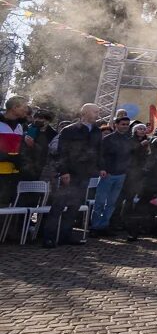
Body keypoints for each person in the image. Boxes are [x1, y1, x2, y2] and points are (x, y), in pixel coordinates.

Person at [42, 103, 102, 247]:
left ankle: (65, 236)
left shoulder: (96, 131)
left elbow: (98, 151)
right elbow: (61, 152)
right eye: (95, 112)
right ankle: (48, 238)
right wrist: (64, 171)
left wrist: (100, 168)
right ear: (85, 113)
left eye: (98, 112)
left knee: (74, 207)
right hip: (70, 173)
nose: (97, 114)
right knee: (58, 206)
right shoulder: (70, 130)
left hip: (85, 174)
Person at [92, 113, 136, 235]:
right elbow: (101, 155)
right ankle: (95, 227)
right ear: (116, 125)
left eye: (127, 125)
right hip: (108, 174)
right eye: (123, 124)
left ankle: (105, 225)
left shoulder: (128, 140)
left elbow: (131, 157)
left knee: (112, 203)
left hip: (121, 175)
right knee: (100, 202)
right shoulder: (108, 139)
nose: (125, 126)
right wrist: (102, 168)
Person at [0, 96, 31, 207]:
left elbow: (19, 149)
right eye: (24, 107)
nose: (26, 110)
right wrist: (9, 157)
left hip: (13, 175)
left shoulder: (20, 126)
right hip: (1, 173)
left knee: (8, 210)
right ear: (14, 107)